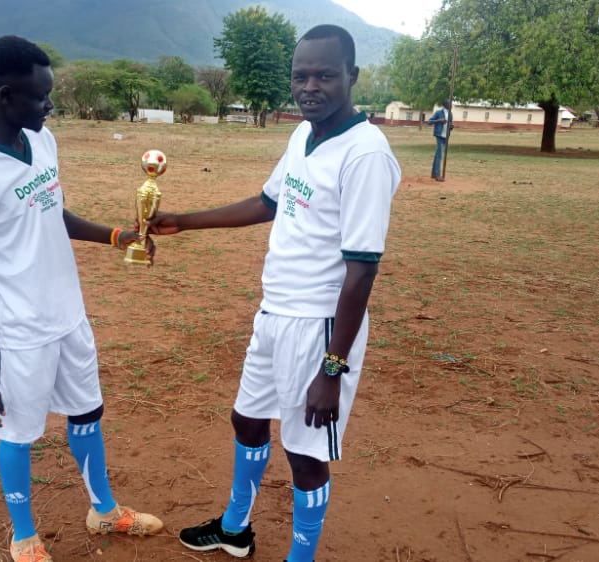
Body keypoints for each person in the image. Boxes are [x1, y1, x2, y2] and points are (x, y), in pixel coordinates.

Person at [149, 24, 401, 562]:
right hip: (275, 312)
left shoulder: (365, 155)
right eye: (300, 76)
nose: (310, 87)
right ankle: (235, 529)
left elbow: (362, 272)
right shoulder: (303, 136)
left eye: (324, 75)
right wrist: (185, 221)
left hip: (320, 326)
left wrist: (332, 369)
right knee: (247, 418)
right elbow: (268, 203)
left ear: (352, 76)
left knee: (304, 455)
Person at [0, 35, 163, 562]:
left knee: (88, 412)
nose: (50, 105)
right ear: (6, 94)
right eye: (41, 96)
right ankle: (25, 538)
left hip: (68, 315)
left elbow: (51, 212)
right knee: (17, 433)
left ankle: (103, 511)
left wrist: (117, 236)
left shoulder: (42, 141)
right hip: (18, 331)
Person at [426, 99, 451, 181]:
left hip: (446, 136)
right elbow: (429, 122)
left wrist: (451, 127)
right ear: (445, 105)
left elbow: (450, 124)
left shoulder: (450, 114)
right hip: (439, 135)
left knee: (438, 154)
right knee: (439, 154)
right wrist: (439, 120)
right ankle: (437, 175)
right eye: (449, 103)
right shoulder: (439, 112)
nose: (450, 105)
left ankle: (434, 174)